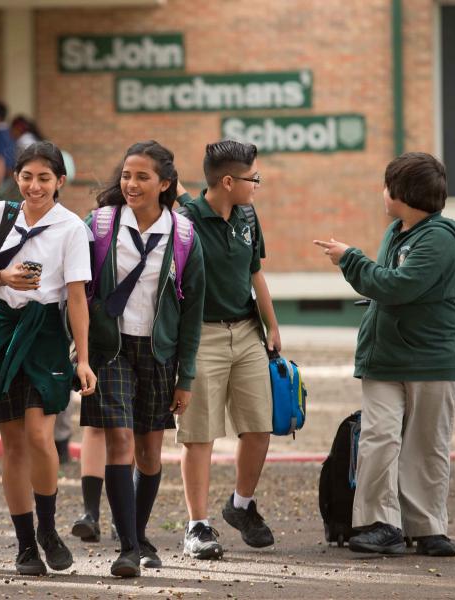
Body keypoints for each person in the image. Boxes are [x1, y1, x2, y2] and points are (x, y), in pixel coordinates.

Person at [0, 141, 97, 576]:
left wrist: (82, 360)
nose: (34, 185)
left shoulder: (70, 228)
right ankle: (26, 544)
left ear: (60, 182)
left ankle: (48, 528)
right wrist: (3, 276)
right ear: (16, 178)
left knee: (40, 435)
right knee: (12, 443)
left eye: (44, 178)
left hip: (45, 331)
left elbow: (78, 298)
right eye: (27, 176)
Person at [314, 152, 455, 557]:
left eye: (387, 186)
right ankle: (381, 523)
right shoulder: (396, 232)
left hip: (429, 360)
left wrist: (350, 259)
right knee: (379, 438)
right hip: (383, 359)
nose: (382, 193)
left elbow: (398, 286)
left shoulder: (438, 237)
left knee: (426, 444)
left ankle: (427, 527)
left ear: (402, 193)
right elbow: (387, 286)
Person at [81, 140, 205, 577]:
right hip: (109, 349)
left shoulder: (184, 234)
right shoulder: (98, 224)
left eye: (142, 177)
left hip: (157, 354)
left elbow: (193, 314)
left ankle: (138, 530)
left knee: (150, 452)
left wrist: (185, 376)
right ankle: (129, 547)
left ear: (165, 183)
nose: (130, 184)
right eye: (126, 175)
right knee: (119, 440)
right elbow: (75, 288)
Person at [175, 140, 280, 560]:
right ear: (229, 180)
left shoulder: (248, 215)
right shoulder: (185, 222)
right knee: (199, 434)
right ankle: (197, 526)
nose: (258, 185)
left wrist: (272, 324)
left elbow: (255, 273)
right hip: (202, 337)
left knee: (260, 427)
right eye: (254, 178)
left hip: (247, 331)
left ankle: (240, 505)